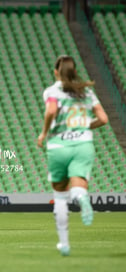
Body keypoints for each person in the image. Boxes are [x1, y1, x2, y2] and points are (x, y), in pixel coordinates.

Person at [37, 55, 108, 256]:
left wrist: (44, 132)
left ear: (56, 72)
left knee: (60, 196)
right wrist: (86, 126)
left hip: (59, 145)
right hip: (83, 144)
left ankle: (64, 244)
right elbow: (103, 119)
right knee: (78, 187)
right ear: (75, 71)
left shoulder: (52, 91)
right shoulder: (86, 91)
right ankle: (82, 197)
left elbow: (51, 110)